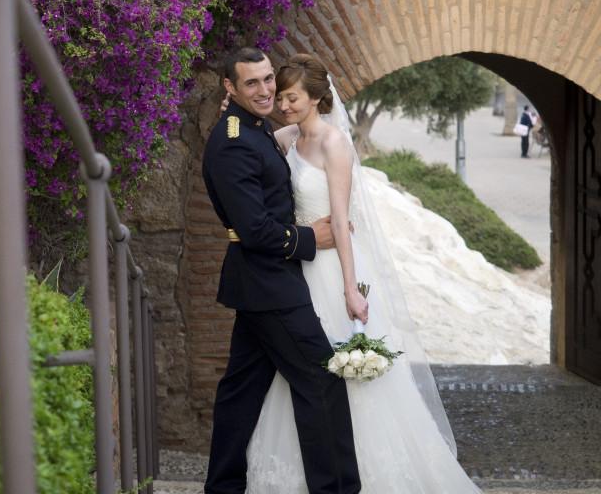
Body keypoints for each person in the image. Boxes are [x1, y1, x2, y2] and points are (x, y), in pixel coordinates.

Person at [245, 53, 480, 494]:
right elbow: (255, 150)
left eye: (292, 98)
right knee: (300, 369)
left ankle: (365, 473)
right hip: (298, 267)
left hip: (333, 269)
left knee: (342, 368)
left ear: (316, 97)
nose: (283, 104)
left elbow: (340, 219)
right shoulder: (286, 138)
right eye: (282, 97)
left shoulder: (335, 144)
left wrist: (351, 289)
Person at [201, 47, 361, 494]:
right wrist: (312, 238)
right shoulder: (234, 141)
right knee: (321, 380)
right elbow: (253, 229)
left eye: (268, 78)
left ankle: (223, 488)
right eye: (251, 83)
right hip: (269, 283)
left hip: (261, 283)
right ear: (230, 87)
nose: (266, 89)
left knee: (240, 392)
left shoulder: (255, 129)